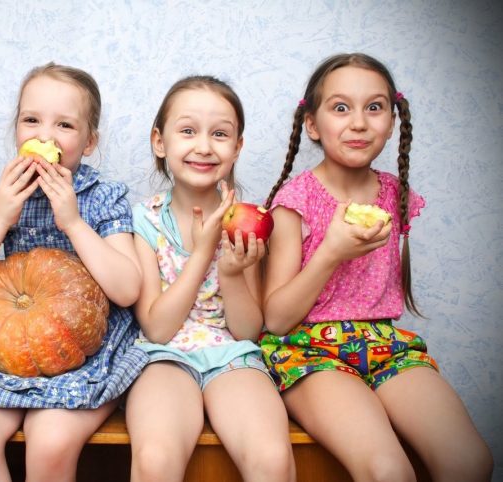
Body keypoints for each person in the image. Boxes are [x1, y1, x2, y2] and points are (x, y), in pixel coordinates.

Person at [260, 52, 494, 482]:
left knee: (470, 462)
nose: (359, 122)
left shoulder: (394, 193)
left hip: (384, 343)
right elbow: (275, 318)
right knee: (388, 470)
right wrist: (330, 252)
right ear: (312, 124)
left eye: (374, 106)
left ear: (392, 119)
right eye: (341, 107)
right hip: (309, 352)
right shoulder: (294, 202)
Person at [0, 62, 148, 482]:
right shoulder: (0, 197)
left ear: (89, 142)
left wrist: (72, 221)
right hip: (13, 349)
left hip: (86, 349)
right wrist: (1, 216)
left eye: (65, 124)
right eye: (31, 120)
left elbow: (127, 290)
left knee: (50, 440)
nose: (44, 136)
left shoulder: (102, 196)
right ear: (16, 129)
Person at [126, 75, 296, 482]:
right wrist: (203, 253)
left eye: (220, 134)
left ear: (237, 148)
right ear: (159, 141)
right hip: (163, 358)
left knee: (272, 459)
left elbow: (248, 330)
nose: (203, 146)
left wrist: (232, 273)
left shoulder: (249, 221)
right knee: (155, 459)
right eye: (187, 131)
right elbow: (158, 328)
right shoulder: (145, 219)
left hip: (232, 355)